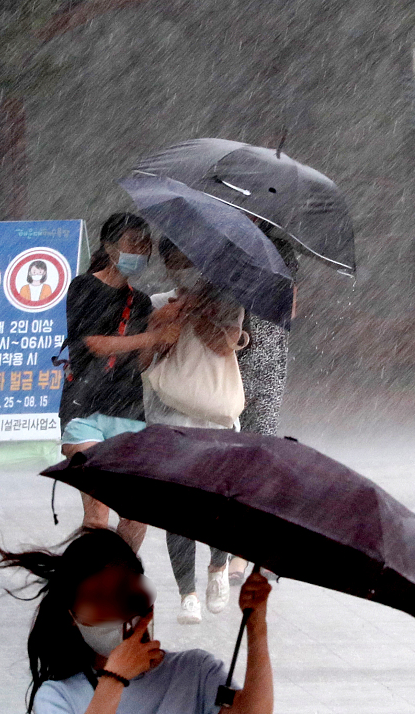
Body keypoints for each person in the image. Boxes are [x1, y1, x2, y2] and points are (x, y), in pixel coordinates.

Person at [0, 526, 273, 714]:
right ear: (71, 616)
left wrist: (256, 625)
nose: (115, 607)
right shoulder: (57, 697)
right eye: (97, 598)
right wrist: (115, 678)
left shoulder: (195, 672)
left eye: (124, 591)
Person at [141, 237, 249, 625]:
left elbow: (223, 346)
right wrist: (163, 321)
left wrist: (199, 309)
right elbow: (145, 357)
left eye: (186, 260)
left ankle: (218, 568)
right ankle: (187, 593)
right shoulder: (158, 302)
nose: (180, 268)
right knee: (178, 509)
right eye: (173, 263)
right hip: (170, 418)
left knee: (219, 501)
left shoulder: (229, 301)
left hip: (216, 418)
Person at [60, 213, 175, 553]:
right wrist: (150, 336)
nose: (141, 251)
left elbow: (139, 362)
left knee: (136, 514)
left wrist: (160, 336)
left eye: (145, 245)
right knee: (98, 510)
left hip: (128, 411)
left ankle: (118, 576)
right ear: (109, 247)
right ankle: (86, 584)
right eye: (132, 243)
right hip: (83, 408)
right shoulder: (83, 287)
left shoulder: (139, 301)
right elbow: (95, 344)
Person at [229, 225, 298, 584]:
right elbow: (290, 306)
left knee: (251, 463)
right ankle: (241, 554)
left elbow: (290, 305)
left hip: (251, 371)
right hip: (243, 371)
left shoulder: (241, 249)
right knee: (251, 462)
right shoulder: (249, 251)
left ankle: (247, 554)